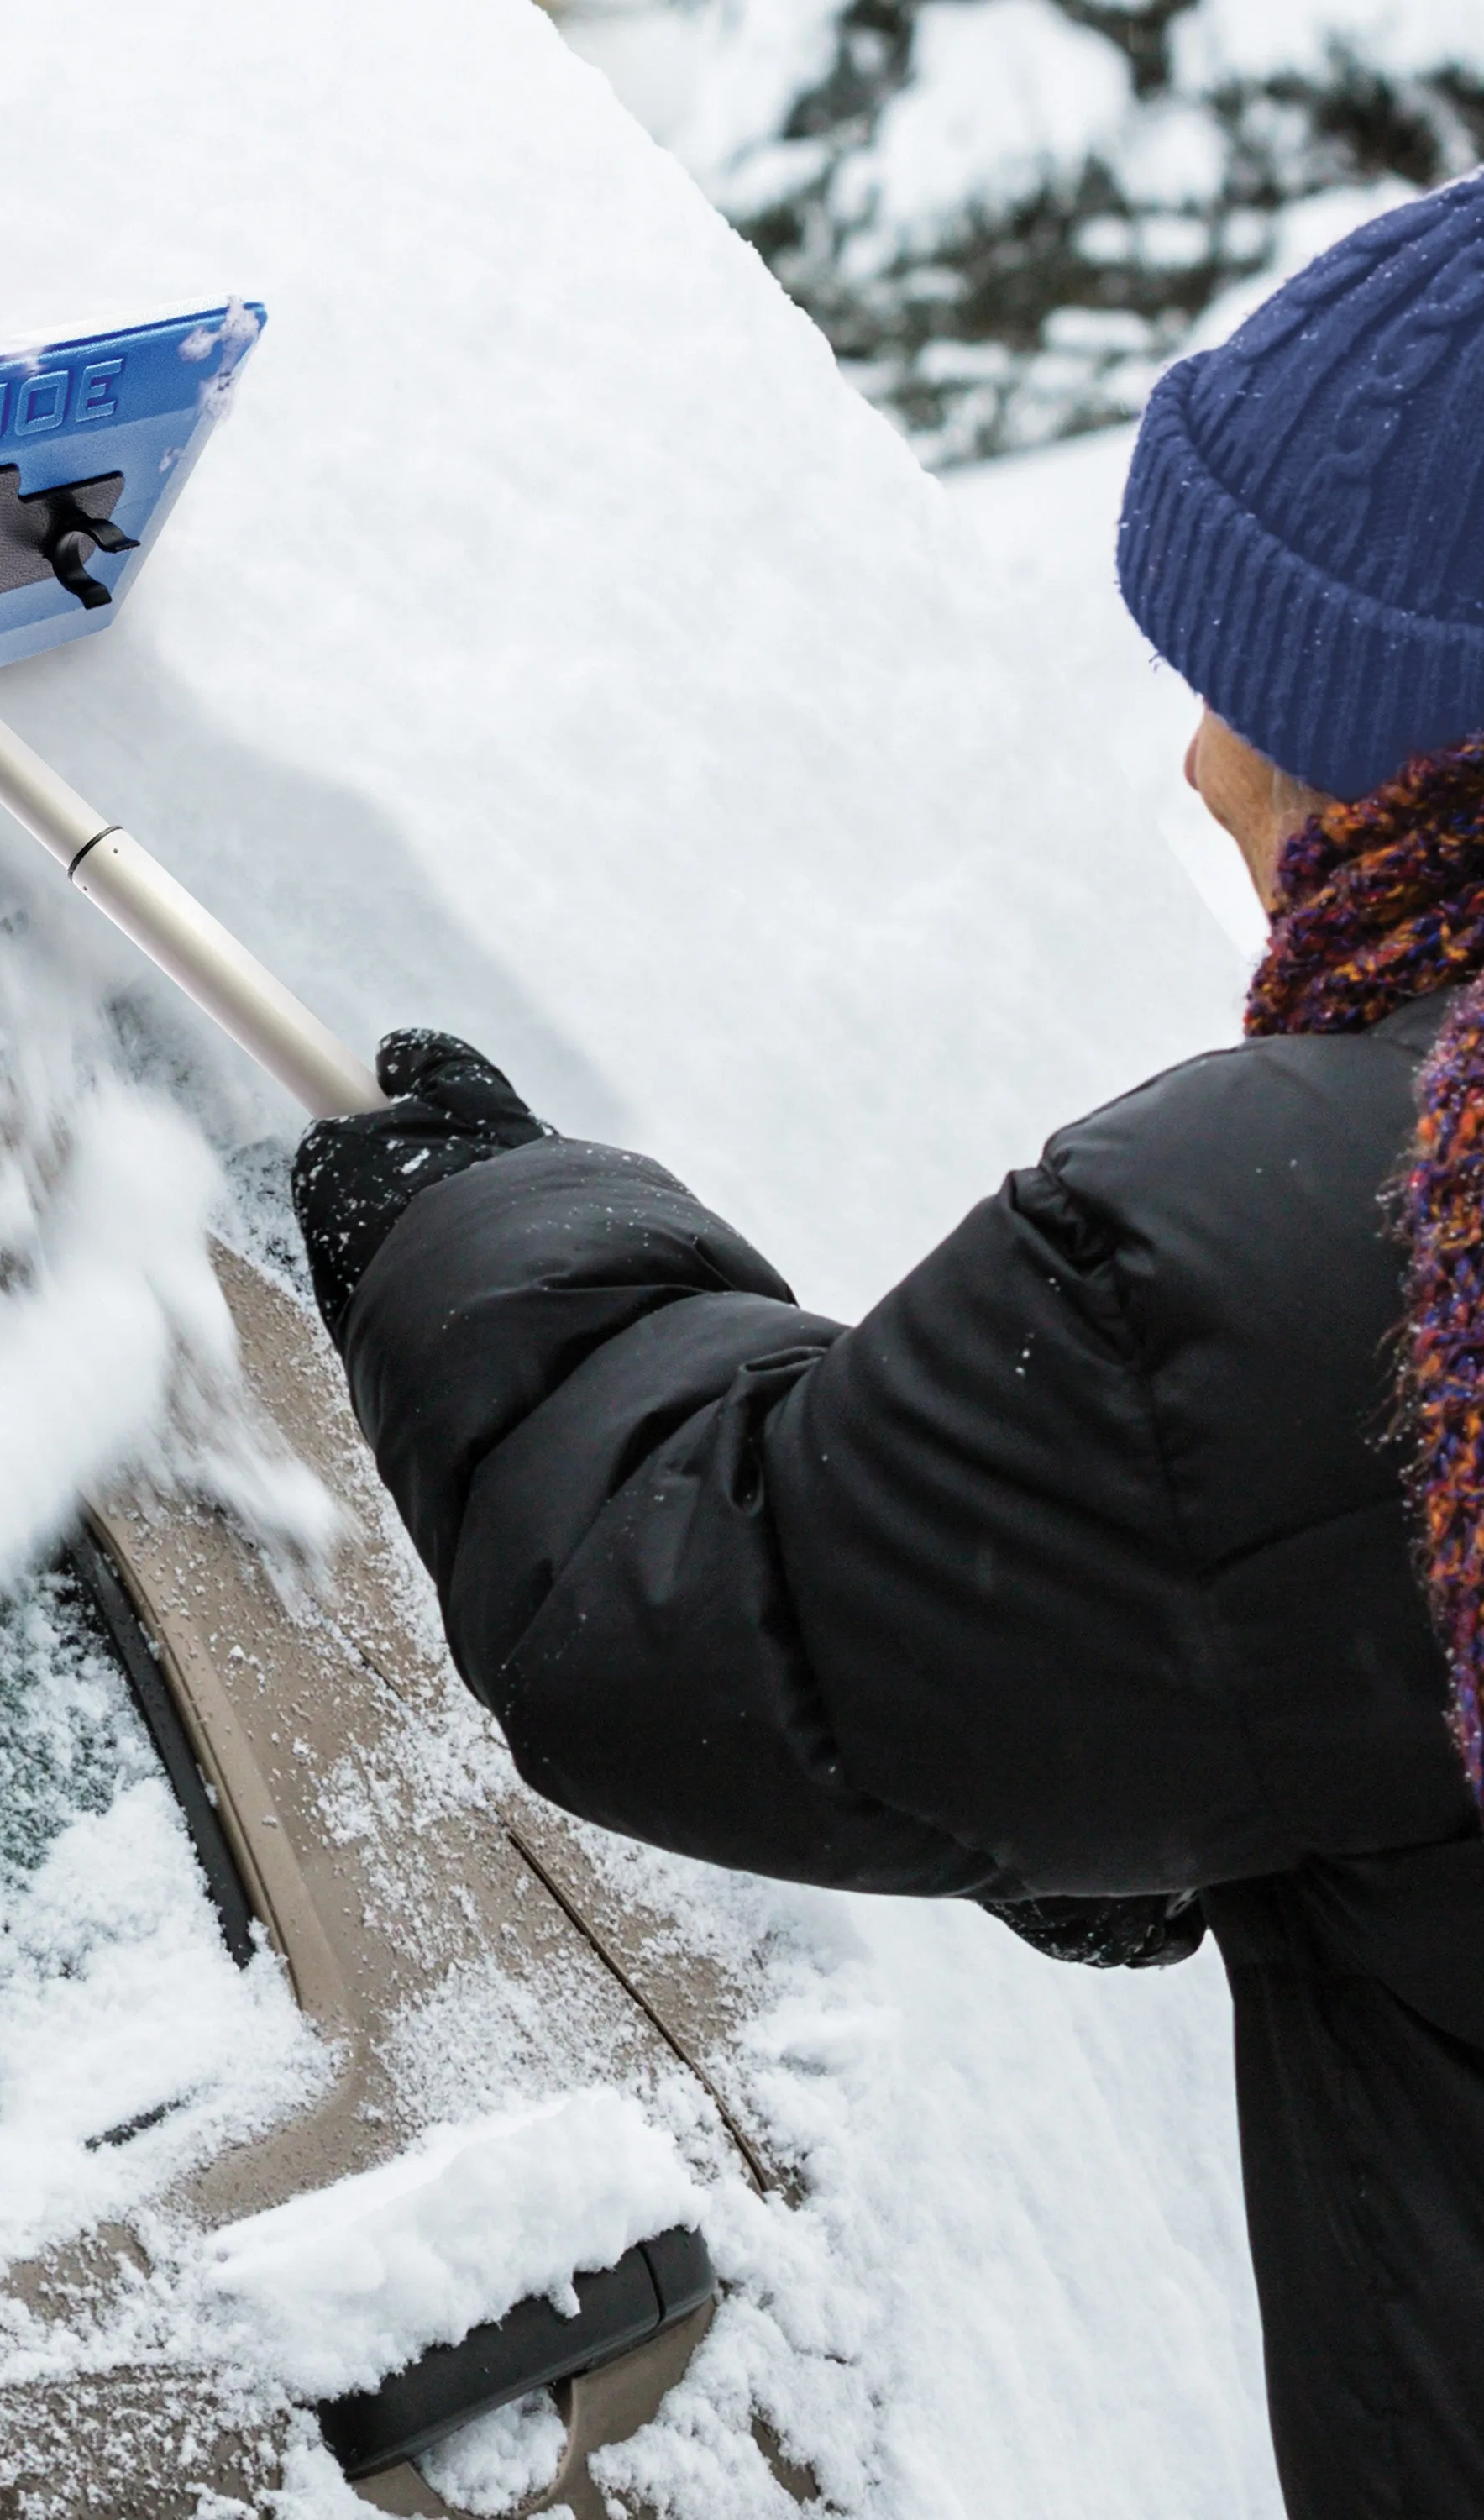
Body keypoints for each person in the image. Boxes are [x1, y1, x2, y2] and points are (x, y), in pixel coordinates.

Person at [291, 178, 1484, 2518]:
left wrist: (482, 1234)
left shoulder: (1343, 1256)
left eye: (1280, 697)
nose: (1206, 773)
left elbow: (690, 1617)